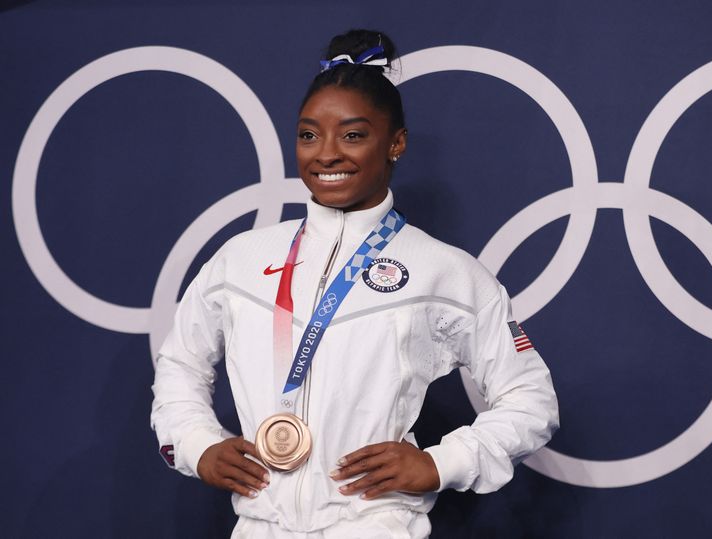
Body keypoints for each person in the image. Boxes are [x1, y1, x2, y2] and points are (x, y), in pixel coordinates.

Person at [151, 29, 559, 538]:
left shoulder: (443, 270)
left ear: (396, 144)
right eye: (308, 135)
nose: (326, 154)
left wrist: (443, 461)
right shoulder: (241, 259)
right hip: (259, 525)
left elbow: (531, 400)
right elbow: (180, 363)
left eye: (352, 134)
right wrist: (194, 444)